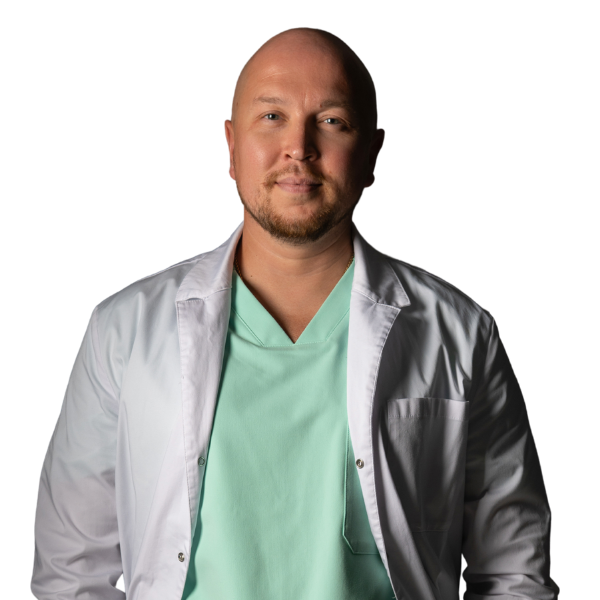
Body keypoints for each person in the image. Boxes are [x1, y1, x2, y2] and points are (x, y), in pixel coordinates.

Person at [31, 27, 559, 600]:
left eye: (332, 120)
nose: (299, 147)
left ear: (372, 154)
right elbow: (71, 569)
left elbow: (514, 570)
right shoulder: (123, 330)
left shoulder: (461, 333)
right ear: (231, 147)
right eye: (272, 116)